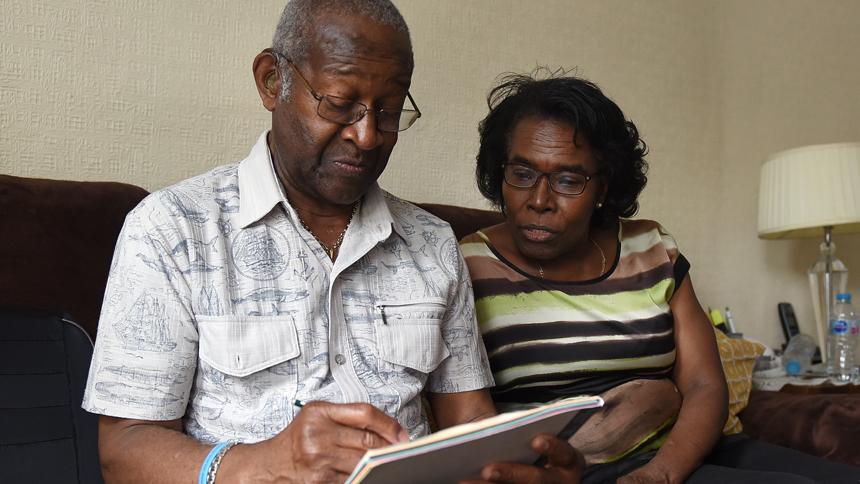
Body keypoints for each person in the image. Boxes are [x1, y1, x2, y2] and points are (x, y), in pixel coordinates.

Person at [82, 2, 582, 483]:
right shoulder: (173, 229)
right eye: (340, 104)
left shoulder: (431, 243)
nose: (367, 136)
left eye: (387, 112)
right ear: (271, 80)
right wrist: (256, 468)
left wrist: (516, 467)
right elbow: (124, 447)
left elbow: (468, 421)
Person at [461, 72, 860, 483]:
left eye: (567, 180)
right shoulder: (468, 263)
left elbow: (705, 384)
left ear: (603, 186)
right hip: (577, 471)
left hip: (685, 449)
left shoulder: (651, 247)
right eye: (523, 174)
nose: (540, 200)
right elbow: (472, 425)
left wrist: (662, 474)